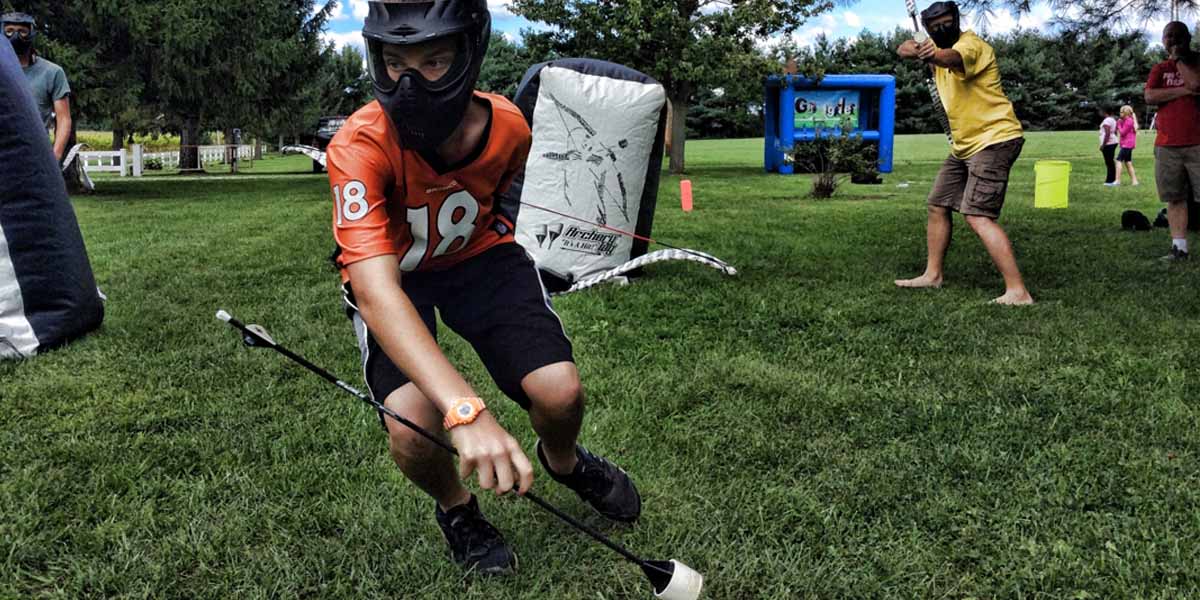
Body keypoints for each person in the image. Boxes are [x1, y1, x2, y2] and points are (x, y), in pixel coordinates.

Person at [325, 0, 641, 575]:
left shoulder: (510, 126)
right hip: (400, 280)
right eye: (394, 62)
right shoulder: (357, 146)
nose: (410, 82)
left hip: (481, 260)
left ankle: (565, 462)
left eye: (435, 60)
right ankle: (458, 508)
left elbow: (505, 193)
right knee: (414, 428)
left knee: (560, 393)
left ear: (469, 53)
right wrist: (465, 411)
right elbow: (374, 289)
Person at [894, 1, 1034, 305]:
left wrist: (933, 53)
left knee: (977, 215)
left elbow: (953, 58)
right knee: (937, 204)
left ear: (956, 20)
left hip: (994, 140)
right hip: (964, 145)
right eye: (935, 26)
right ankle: (933, 275)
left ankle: (1018, 291)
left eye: (947, 22)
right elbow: (902, 49)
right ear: (928, 28)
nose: (942, 29)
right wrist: (917, 49)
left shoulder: (972, 46)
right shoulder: (931, 47)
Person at [1145, 21, 1200, 261]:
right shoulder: (1159, 68)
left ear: (1188, 38)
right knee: (1174, 197)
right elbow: (1149, 96)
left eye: (1177, 35)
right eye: (1168, 36)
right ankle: (1179, 249)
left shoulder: (1197, 62)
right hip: (1167, 144)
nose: (1172, 40)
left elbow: (1197, 83)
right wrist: (1185, 91)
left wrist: (1179, 61)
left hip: (1198, 142)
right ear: (1162, 40)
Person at [2, 12, 72, 165]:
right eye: (9, 30)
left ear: (31, 33)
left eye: (22, 31)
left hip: (36, 159)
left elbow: (64, 119)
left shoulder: (52, 72)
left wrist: (55, 157)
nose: (15, 36)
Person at [1115, 104, 1140, 186]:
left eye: (1121, 112)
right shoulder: (1126, 121)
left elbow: (1122, 133)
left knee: (1118, 160)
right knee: (1128, 162)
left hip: (1127, 144)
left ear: (1125, 113)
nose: (1120, 113)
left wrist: (1118, 124)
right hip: (1127, 144)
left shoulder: (1129, 121)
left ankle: (1117, 181)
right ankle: (1135, 181)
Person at [1099, 106, 1119, 186]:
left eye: (1101, 111)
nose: (1100, 112)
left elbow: (1107, 133)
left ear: (1105, 112)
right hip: (1113, 141)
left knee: (1109, 162)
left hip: (1109, 143)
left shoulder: (1107, 120)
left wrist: (1103, 145)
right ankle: (1111, 179)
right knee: (1110, 162)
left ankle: (1110, 180)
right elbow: (1115, 131)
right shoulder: (1112, 119)